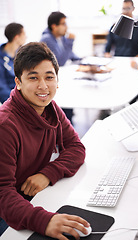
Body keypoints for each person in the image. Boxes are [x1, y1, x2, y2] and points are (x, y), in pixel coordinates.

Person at [0, 42, 90, 239]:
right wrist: (44, 220)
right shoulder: (5, 125)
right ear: (18, 82)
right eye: (33, 77)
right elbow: (2, 193)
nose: (43, 86)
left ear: (57, 80)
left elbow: (76, 147)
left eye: (49, 77)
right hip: (7, 209)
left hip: (32, 197)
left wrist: (47, 174)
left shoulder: (51, 108)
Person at [40, 11, 81, 123]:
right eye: (63, 24)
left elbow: (70, 54)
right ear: (54, 26)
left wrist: (83, 60)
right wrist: (70, 41)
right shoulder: (47, 39)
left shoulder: (60, 37)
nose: (66, 27)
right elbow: (60, 62)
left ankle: (69, 121)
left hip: (62, 78)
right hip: (53, 81)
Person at [0, 22, 26, 103]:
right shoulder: (1, 58)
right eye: (24, 34)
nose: (26, 37)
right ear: (17, 37)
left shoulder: (22, 54)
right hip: (12, 101)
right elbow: (2, 88)